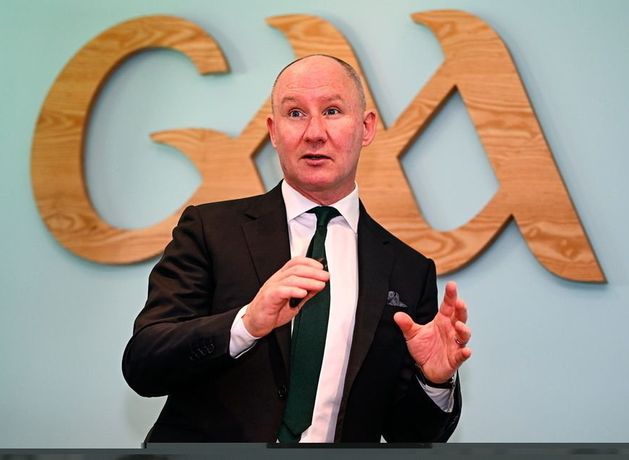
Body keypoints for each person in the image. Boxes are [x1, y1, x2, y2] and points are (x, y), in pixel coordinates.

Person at [122, 54, 472, 443]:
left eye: (332, 111)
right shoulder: (210, 230)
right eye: (295, 114)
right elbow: (144, 364)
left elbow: (411, 435)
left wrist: (433, 380)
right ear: (273, 132)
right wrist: (246, 323)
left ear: (366, 127)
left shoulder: (408, 270)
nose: (314, 133)